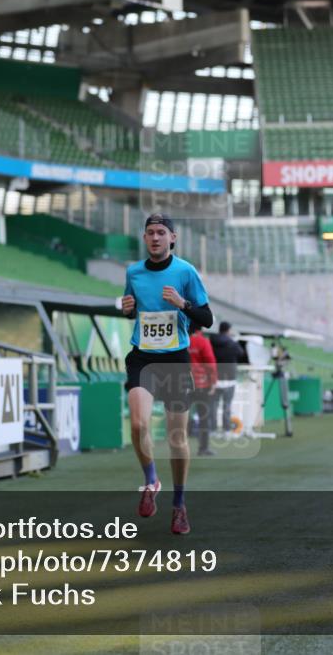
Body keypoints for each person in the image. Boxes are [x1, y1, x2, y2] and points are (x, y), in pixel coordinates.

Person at [121, 213, 212, 535]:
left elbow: (207, 317)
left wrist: (183, 303)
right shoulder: (133, 272)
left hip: (175, 360)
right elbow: (132, 308)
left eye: (161, 233)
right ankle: (150, 480)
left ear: (173, 238)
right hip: (142, 358)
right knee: (138, 423)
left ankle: (179, 505)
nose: (155, 238)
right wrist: (128, 309)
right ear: (144, 238)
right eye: (149, 233)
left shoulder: (185, 271)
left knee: (177, 438)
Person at [187, 321, 218, 456]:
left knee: (180, 417)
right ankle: (203, 448)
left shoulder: (181, 340)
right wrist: (213, 382)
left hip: (183, 384)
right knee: (204, 417)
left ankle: (179, 447)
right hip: (201, 385)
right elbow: (210, 363)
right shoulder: (203, 341)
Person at [209, 321, 242, 436]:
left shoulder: (211, 341)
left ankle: (212, 430)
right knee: (227, 405)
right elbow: (240, 353)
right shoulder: (232, 342)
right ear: (228, 330)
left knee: (213, 405)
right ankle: (226, 430)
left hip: (215, 378)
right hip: (230, 378)